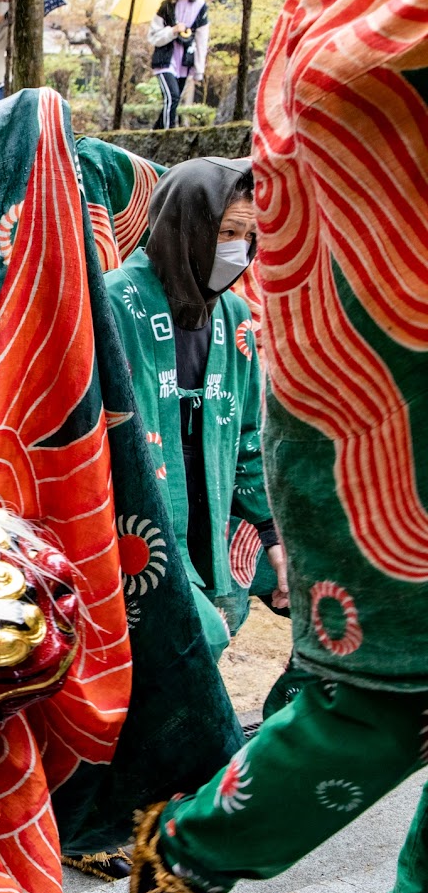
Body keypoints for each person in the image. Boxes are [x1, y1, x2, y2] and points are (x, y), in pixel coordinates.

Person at [123, 0, 428, 893]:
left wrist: (258, 540)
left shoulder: (240, 323)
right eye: (229, 233)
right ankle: (190, 847)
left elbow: (241, 445)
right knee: (382, 695)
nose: (238, 249)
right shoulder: (375, 7)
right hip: (383, 415)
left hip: (273, 476)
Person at [104, 157, 286, 666]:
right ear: (187, 224)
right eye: (228, 231)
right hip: (138, 522)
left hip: (212, 511)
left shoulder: (232, 314)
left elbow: (248, 435)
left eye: (250, 237)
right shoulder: (117, 303)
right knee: (184, 641)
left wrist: (273, 534)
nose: (240, 251)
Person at [149, 0, 209, 129]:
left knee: (173, 102)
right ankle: (170, 134)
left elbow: (202, 39)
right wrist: (172, 31)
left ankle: (156, 132)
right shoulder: (167, 6)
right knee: (172, 97)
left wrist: (199, 69)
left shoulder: (200, 7)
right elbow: (153, 37)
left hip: (185, 61)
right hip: (165, 60)